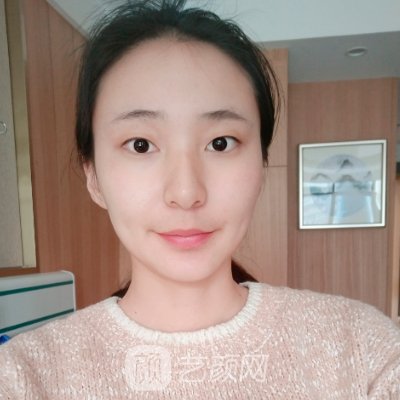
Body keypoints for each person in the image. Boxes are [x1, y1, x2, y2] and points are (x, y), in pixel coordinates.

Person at [1, 0, 399, 398]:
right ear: (93, 177)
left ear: (261, 165)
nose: (186, 192)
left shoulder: (362, 349)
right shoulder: (27, 376)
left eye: (220, 143)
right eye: (140, 145)